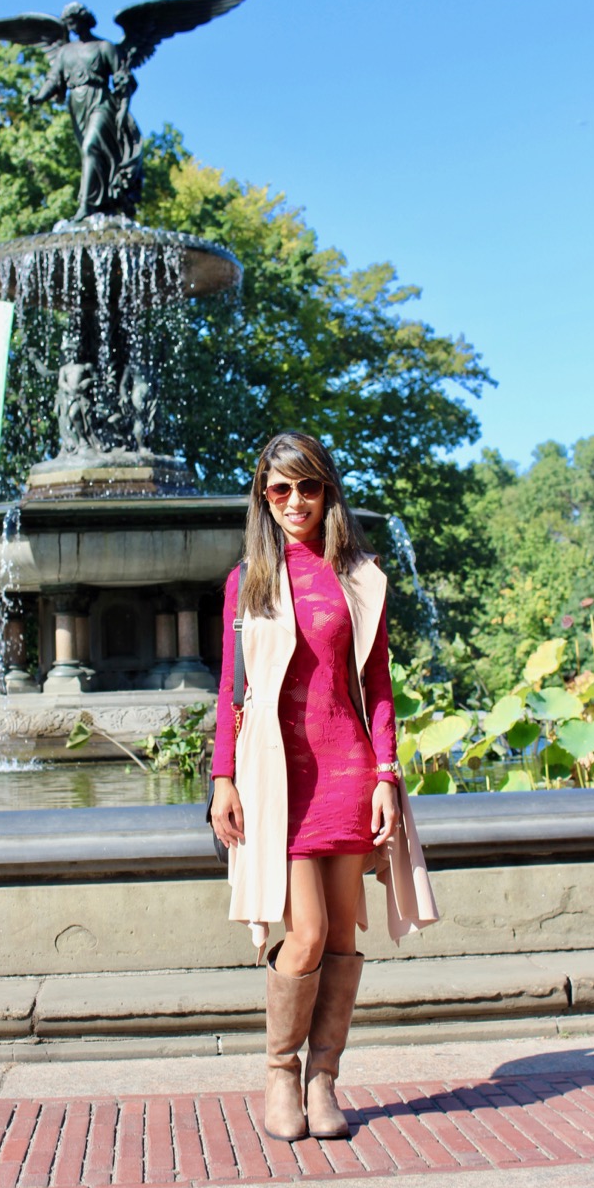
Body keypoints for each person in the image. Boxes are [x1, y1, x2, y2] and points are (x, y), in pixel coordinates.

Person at [209, 431, 437, 1143]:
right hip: (279, 776)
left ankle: (322, 1079)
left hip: (346, 768)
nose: (294, 502)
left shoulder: (361, 577)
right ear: (263, 498)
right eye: (279, 489)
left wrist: (385, 774)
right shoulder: (246, 579)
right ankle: (279, 1071)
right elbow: (228, 689)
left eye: (307, 487)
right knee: (303, 933)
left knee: (340, 933)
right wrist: (222, 778)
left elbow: (377, 686)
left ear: (327, 491)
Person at [29, 2, 143, 220]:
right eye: (68, 23)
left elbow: (124, 78)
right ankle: (104, 201)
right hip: (77, 104)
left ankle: (86, 205)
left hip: (101, 101)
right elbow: (53, 80)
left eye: (73, 22)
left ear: (84, 19)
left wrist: (123, 108)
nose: (70, 27)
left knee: (91, 146)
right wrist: (38, 96)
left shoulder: (104, 47)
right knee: (89, 153)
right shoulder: (65, 52)